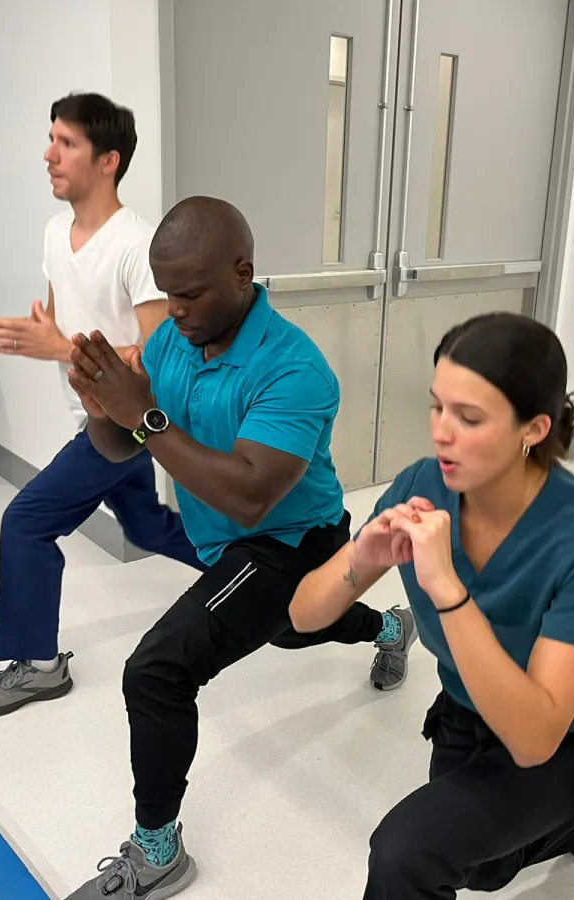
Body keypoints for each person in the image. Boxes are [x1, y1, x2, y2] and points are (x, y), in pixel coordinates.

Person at [61, 196, 418, 899]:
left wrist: (144, 413)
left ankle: (157, 850)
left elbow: (250, 494)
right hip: (227, 540)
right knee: (287, 630)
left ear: (243, 273)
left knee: (157, 670)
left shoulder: (296, 369)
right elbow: (121, 443)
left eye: (191, 293)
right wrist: (104, 408)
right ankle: (390, 627)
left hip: (292, 539)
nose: (177, 309)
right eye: (168, 293)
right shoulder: (171, 343)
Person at [289, 311, 574, 899]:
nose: (441, 433)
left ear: (532, 428)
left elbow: (535, 737)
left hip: (567, 734)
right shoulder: (420, 484)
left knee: (409, 852)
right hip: (469, 710)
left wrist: (448, 590)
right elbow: (303, 616)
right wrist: (363, 555)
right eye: (437, 407)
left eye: (469, 417)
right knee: (486, 871)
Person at [0, 93, 204, 718]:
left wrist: (59, 345)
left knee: (26, 521)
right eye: (51, 139)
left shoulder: (137, 244)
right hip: (94, 416)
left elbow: (161, 353)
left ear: (108, 161)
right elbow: (66, 326)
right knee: (148, 527)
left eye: (65, 143)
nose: (49, 154)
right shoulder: (55, 234)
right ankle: (250, 563)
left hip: (126, 425)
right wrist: (45, 336)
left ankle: (41, 666)